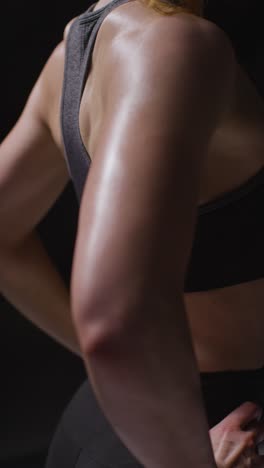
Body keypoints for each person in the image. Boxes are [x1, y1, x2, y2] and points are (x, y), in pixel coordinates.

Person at [1, 0, 264, 467]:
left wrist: (101, 365)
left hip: (123, 424)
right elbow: (113, 321)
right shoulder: (170, 45)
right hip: (206, 427)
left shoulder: (73, 55)